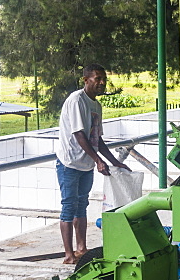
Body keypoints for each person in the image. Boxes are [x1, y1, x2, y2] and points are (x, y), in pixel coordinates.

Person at [55, 64, 130, 264]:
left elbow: (97, 138)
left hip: (86, 164)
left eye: (103, 78)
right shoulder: (76, 100)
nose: (102, 83)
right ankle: (69, 254)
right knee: (69, 206)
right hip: (69, 163)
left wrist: (115, 162)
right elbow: (79, 134)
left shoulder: (96, 105)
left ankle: (81, 248)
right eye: (97, 78)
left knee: (82, 205)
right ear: (86, 80)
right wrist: (98, 161)